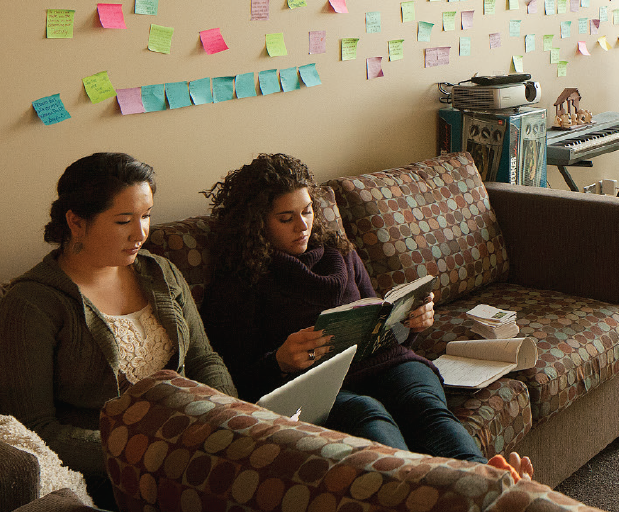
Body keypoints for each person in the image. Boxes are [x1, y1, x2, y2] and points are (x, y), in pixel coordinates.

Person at [200, 153, 531, 480]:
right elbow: (232, 379)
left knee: (425, 407)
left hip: (384, 363)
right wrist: (280, 361)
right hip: (319, 387)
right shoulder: (238, 282)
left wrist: (408, 322)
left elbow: (376, 320)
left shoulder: (338, 252)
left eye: (308, 211)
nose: (303, 226)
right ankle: (418, 497)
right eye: (286, 219)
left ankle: (490, 484)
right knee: (368, 416)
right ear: (256, 222)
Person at [0, 153, 236, 508]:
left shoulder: (160, 272)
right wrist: (153, 454)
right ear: (76, 221)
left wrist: (234, 420)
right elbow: (32, 431)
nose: (140, 233)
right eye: (122, 221)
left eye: (146, 216)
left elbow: (203, 358)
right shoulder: (30, 308)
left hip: (191, 444)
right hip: (109, 476)